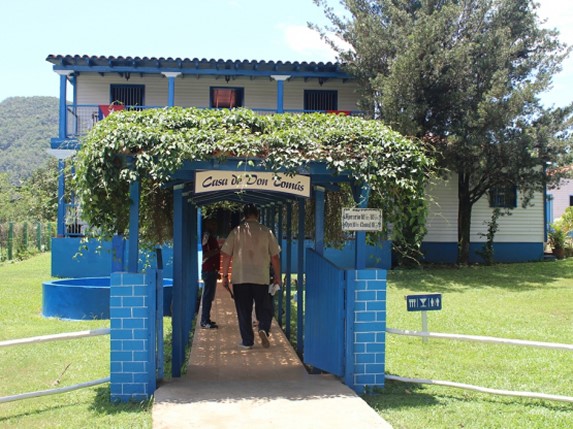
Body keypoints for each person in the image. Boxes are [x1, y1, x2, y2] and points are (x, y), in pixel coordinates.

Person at [221, 204, 282, 349]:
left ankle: (247, 341)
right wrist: (278, 276)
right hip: (261, 277)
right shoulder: (267, 232)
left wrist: (224, 276)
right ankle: (263, 328)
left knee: (244, 310)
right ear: (258, 215)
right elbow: (275, 257)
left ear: (244, 216)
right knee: (264, 307)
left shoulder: (236, 231)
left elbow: (226, 255)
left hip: (240, 277)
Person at [200, 219, 220, 329]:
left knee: (210, 296)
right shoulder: (206, 236)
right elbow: (205, 254)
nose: (215, 225)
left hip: (212, 270)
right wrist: (217, 250)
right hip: (208, 270)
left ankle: (207, 318)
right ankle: (204, 321)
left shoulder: (212, 236)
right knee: (207, 296)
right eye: (212, 223)